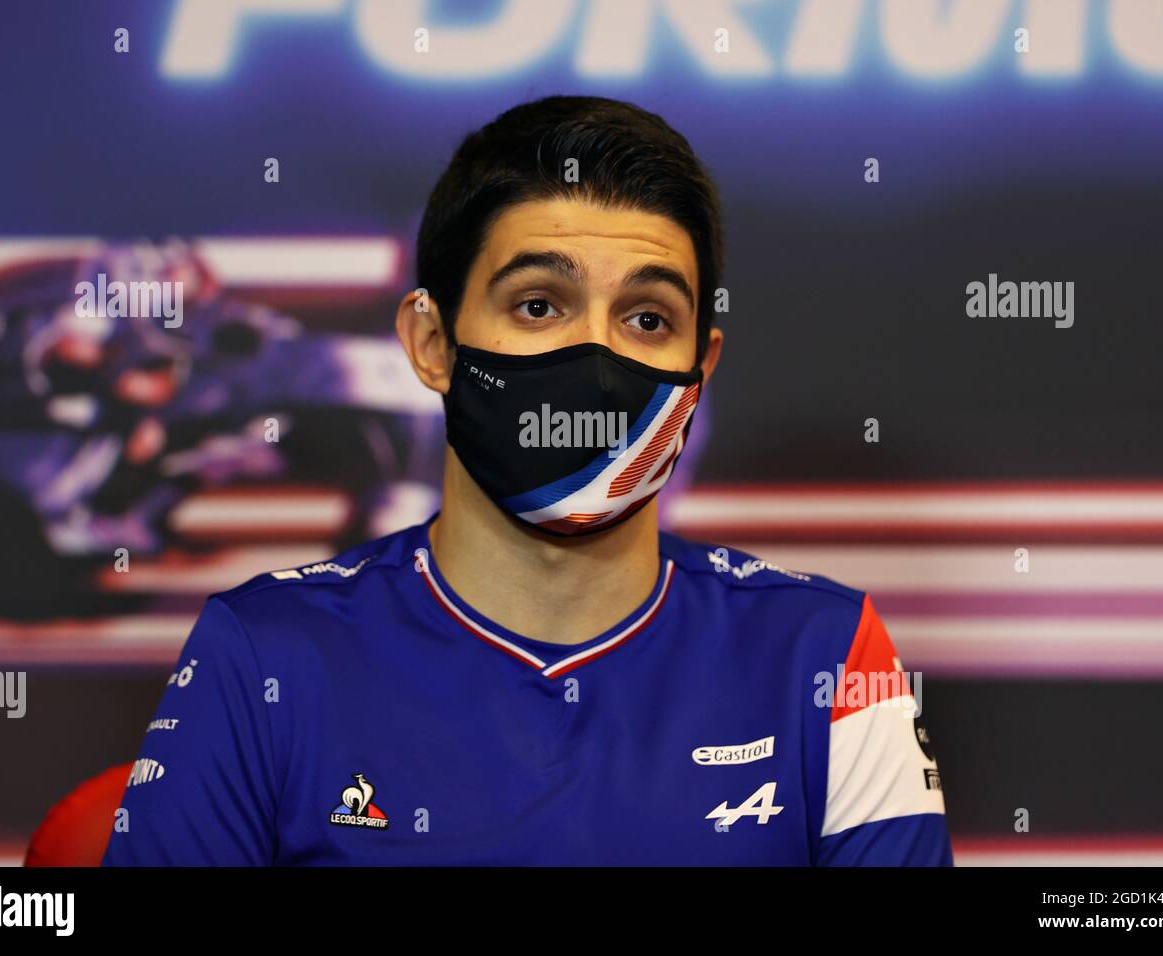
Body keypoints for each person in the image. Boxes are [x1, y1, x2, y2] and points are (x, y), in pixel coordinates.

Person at [103, 95, 951, 866]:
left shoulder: (829, 654)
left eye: (648, 319)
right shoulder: (262, 654)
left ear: (701, 366)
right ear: (432, 344)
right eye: (539, 305)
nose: (598, 360)